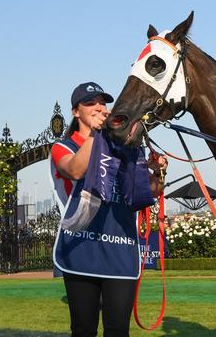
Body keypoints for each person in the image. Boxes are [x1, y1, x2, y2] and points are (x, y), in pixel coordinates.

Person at [51, 82, 168, 337]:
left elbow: (147, 192)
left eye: (102, 103)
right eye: (90, 103)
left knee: (117, 330)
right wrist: (97, 134)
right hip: (82, 250)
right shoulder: (62, 147)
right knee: (83, 330)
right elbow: (75, 170)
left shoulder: (124, 148)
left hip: (120, 250)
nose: (99, 107)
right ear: (75, 112)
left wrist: (158, 171)